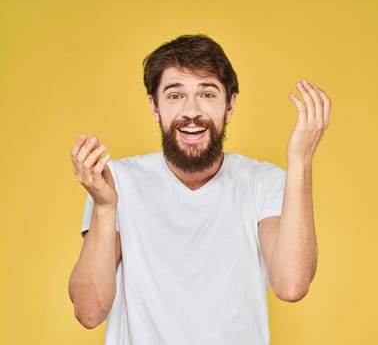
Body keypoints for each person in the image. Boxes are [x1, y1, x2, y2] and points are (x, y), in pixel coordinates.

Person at [68, 34, 331, 344]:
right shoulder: (116, 183)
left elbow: (291, 285)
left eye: (207, 94)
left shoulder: (263, 182)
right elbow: (88, 312)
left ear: (230, 104)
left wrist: (300, 161)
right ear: (155, 106)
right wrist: (103, 207)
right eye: (175, 95)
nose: (191, 111)